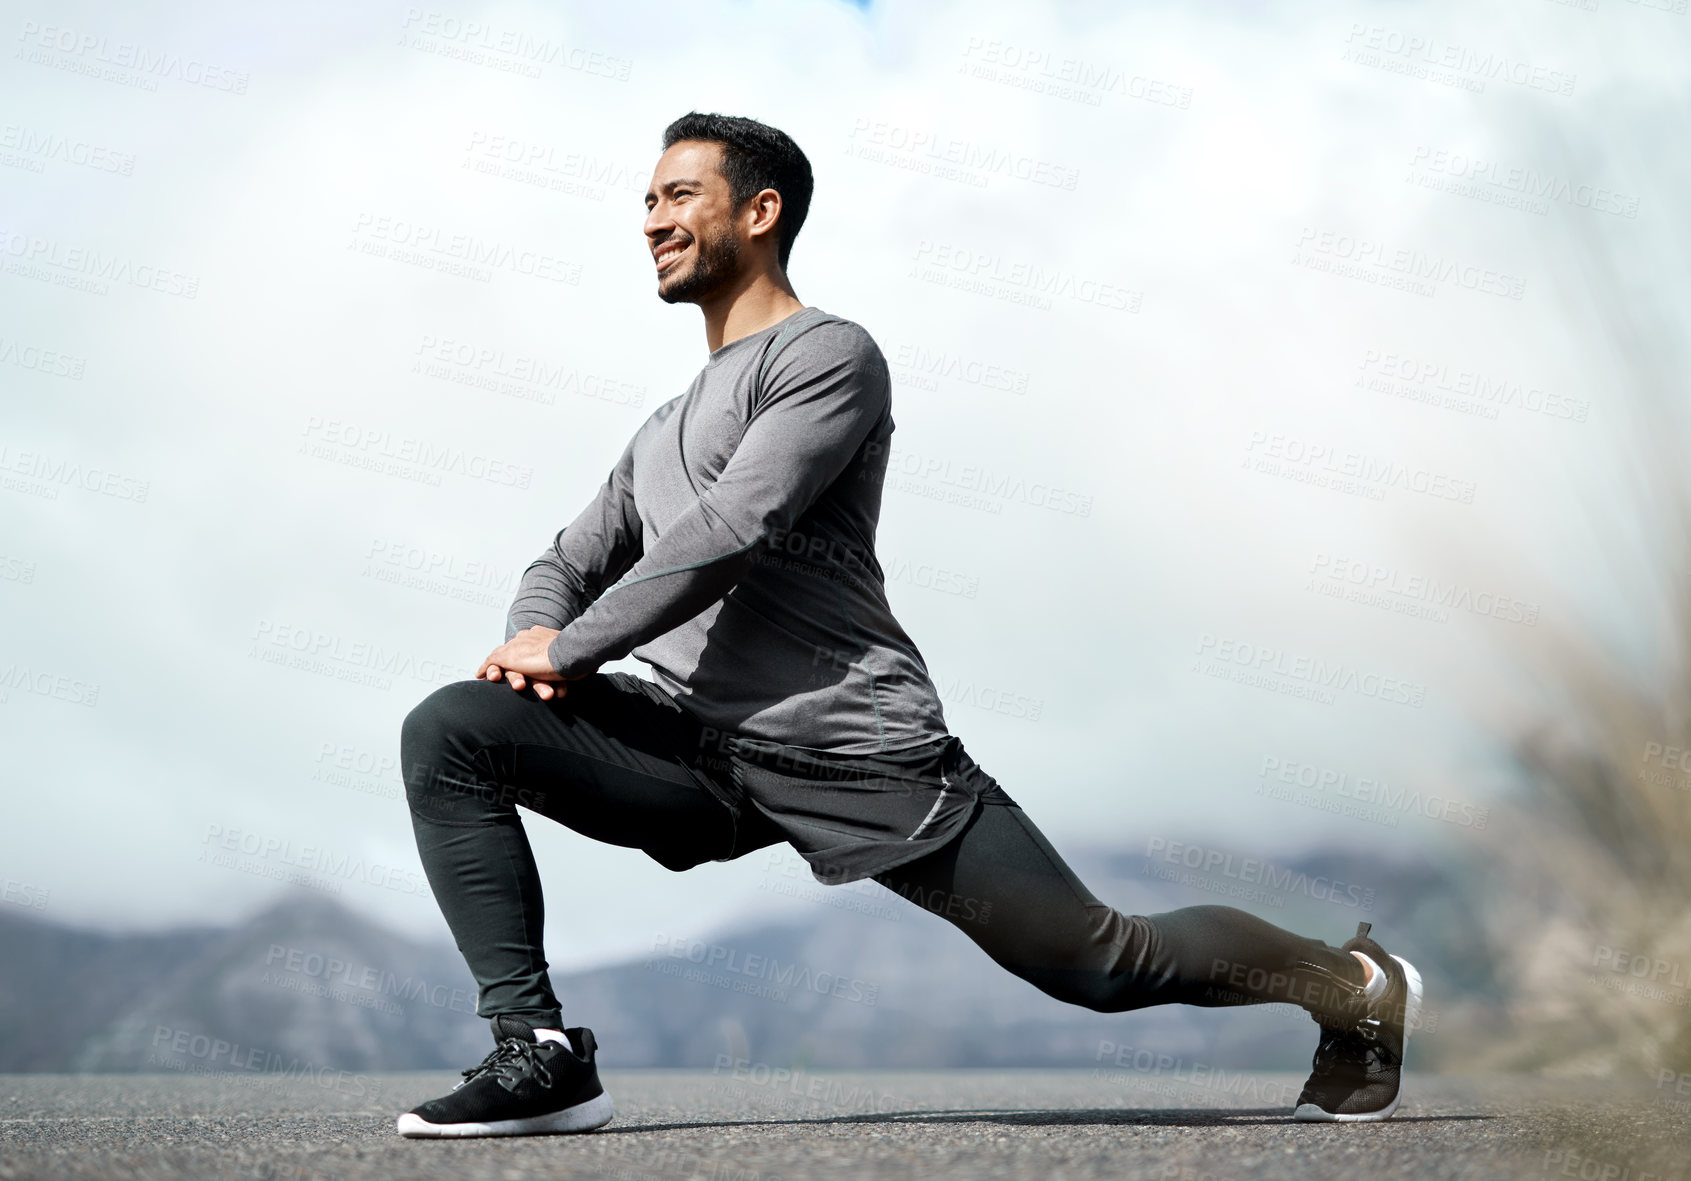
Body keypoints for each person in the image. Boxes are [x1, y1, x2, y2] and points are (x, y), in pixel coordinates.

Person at [394, 112, 1422, 1139]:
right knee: (454, 727)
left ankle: (1352, 983)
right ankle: (538, 1050)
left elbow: (735, 523)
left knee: (1100, 962)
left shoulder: (827, 355)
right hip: (698, 755)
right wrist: (534, 648)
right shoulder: (659, 428)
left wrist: (573, 648)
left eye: (678, 196)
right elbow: (565, 561)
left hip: (851, 746)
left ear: (760, 212)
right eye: (647, 201)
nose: (653, 221)